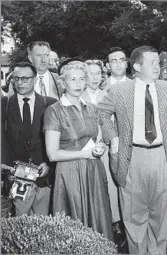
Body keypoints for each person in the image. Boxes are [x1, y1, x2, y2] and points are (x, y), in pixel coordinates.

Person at [98, 46, 167, 254]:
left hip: (162, 156)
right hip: (131, 157)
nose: (158, 66)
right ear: (137, 66)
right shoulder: (120, 91)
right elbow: (102, 112)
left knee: (160, 215)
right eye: (152, 62)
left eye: (158, 62)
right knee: (133, 215)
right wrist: (113, 138)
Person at [43, 61, 114, 240]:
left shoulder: (92, 108)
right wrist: (84, 154)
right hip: (69, 174)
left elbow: (99, 139)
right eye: (72, 79)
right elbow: (52, 154)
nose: (77, 83)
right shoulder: (54, 111)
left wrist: (100, 147)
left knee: (98, 221)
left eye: (82, 79)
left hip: (94, 171)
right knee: (74, 225)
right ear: (63, 82)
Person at [2, 62, 56, 216]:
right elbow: (2, 141)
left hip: (43, 175)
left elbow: (57, 140)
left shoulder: (50, 104)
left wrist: (49, 163)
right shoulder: (4, 105)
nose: (20, 82)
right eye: (16, 79)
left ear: (35, 79)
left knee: (44, 223)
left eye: (25, 79)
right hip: (17, 178)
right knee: (21, 224)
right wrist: (7, 169)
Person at [81, 58, 122, 238]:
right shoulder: (77, 97)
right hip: (85, 151)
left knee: (111, 187)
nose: (95, 77)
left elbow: (116, 123)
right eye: (90, 73)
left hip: (106, 149)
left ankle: (113, 222)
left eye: (98, 73)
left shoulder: (108, 95)